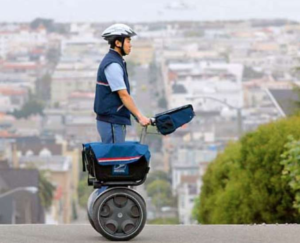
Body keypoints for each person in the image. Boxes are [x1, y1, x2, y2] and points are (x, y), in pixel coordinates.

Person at [94, 23, 150, 144]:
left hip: (114, 121)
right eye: (128, 41)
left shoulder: (116, 61)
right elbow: (123, 95)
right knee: (116, 159)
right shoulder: (113, 65)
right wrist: (140, 117)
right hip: (111, 122)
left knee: (116, 158)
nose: (130, 45)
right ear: (118, 43)